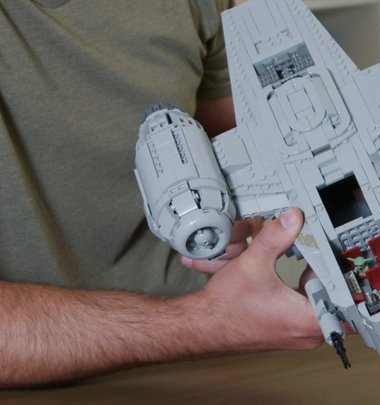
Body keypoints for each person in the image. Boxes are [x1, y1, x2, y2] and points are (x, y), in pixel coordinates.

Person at [0, 0, 322, 388]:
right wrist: (204, 324)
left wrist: (242, 219)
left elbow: (233, 143)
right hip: (35, 372)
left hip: (214, 357)